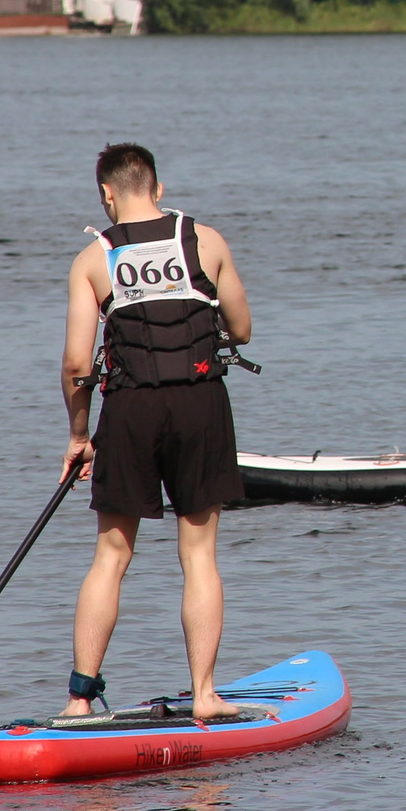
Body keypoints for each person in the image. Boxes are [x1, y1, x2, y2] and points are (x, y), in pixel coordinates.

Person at [58, 143, 255, 720]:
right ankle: (205, 695)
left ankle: (78, 700)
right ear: (159, 189)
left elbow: (76, 364)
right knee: (198, 555)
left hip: (131, 410)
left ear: (106, 195)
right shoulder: (207, 240)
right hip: (200, 404)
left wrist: (79, 435)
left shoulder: (92, 260)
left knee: (110, 556)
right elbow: (241, 329)